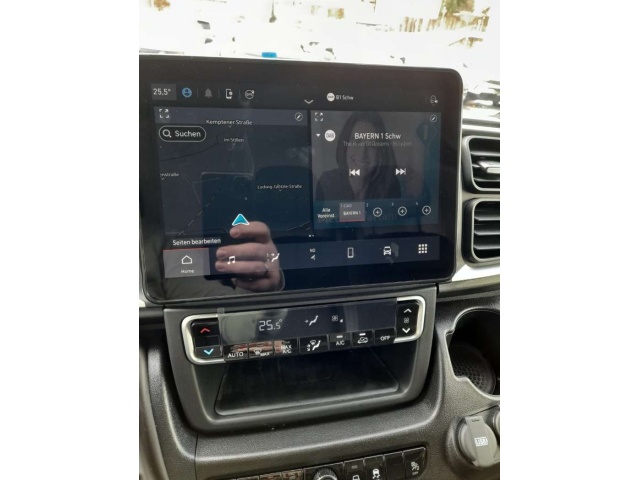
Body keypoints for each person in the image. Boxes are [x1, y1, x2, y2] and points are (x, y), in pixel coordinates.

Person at [315, 112, 401, 201]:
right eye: (356, 141)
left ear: (380, 152)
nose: (362, 153)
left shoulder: (390, 185)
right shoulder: (327, 184)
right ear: (345, 146)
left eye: (372, 144)